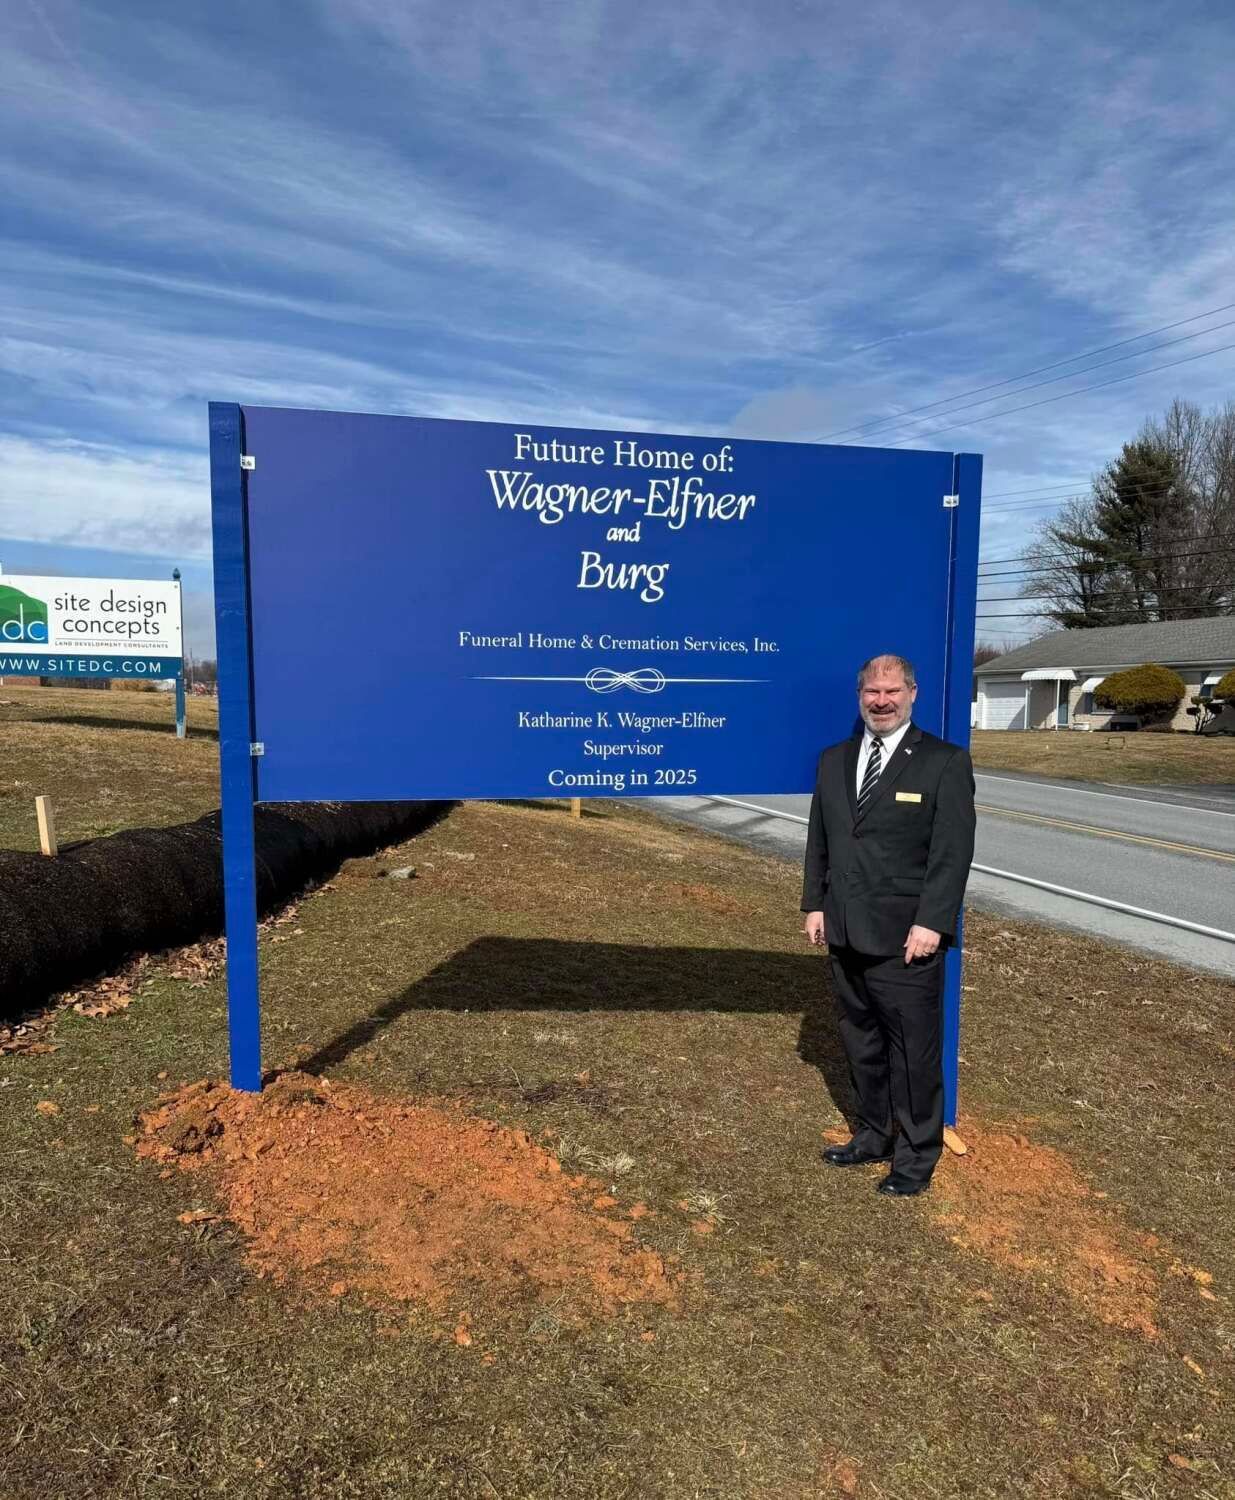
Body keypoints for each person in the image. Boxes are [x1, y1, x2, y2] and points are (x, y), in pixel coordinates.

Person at [801, 653, 975, 1197]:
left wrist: (932, 922)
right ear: (860, 696)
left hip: (907, 940)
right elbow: (821, 839)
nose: (881, 701)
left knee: (913, 1054)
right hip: (846, 929)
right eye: (872, 692)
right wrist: (815, 903)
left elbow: (952, 855)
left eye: (892, 691)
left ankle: (916, 1156)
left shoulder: (944, 763)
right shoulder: (834, 759)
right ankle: (873, 1134)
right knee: (861, 1043)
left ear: (912, 694)